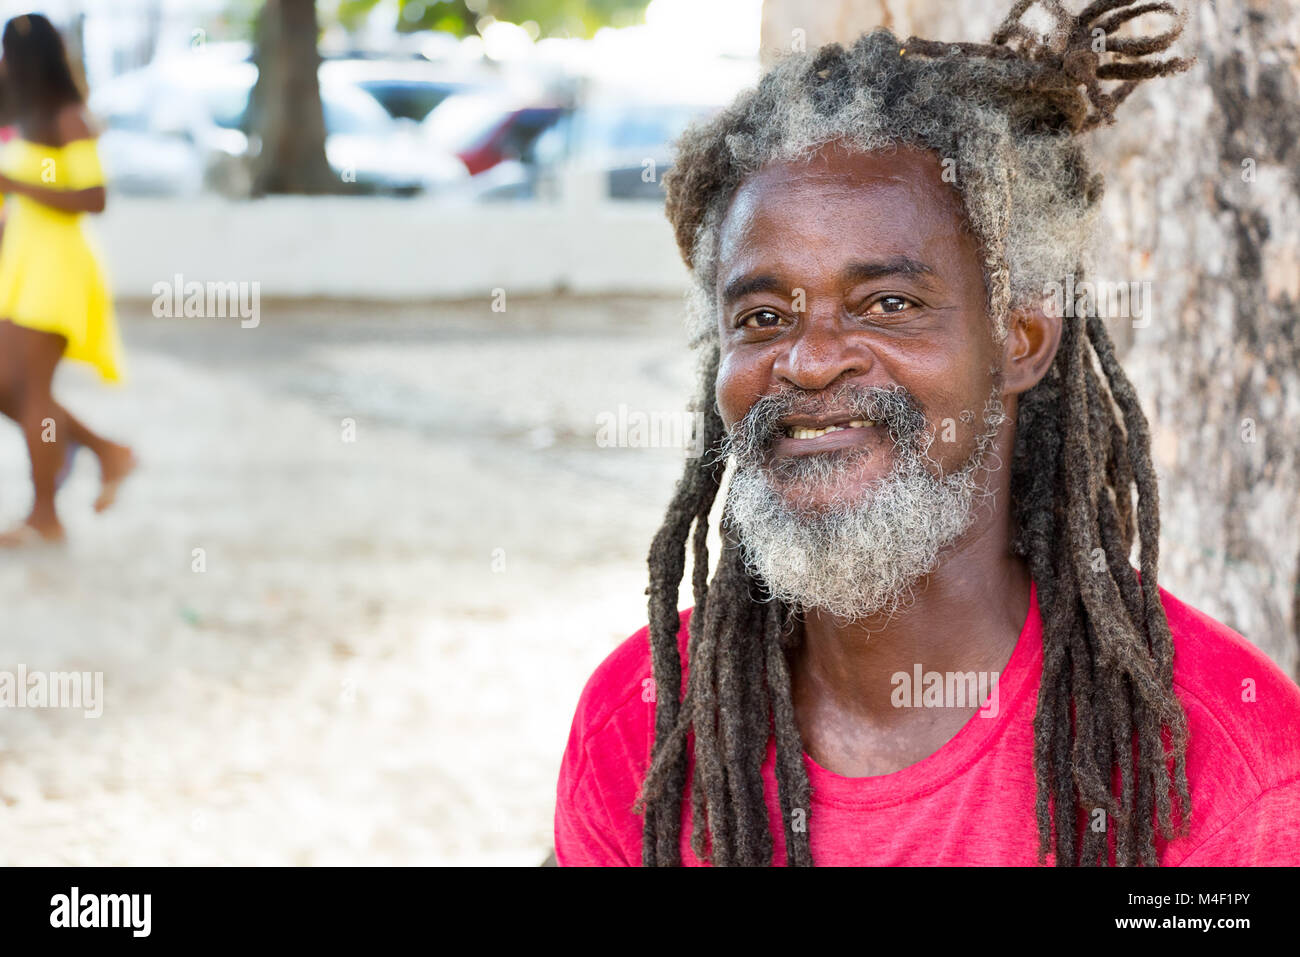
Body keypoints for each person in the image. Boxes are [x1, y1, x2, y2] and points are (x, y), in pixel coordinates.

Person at [554, 0, 1300, 866]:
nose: (809, 359)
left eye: (889, 304)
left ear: (1018, 339)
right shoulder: (644, 724)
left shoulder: (1228, 768)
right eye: (761, 315)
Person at [0, 13, 135, 547]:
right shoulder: (25, 114)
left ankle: (45, 518)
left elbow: (93, 198)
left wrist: (16, 185)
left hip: (58, 269)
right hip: (22, 265)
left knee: (31, 391)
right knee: (7, 386)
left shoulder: (69, 118)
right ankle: (106, 450)